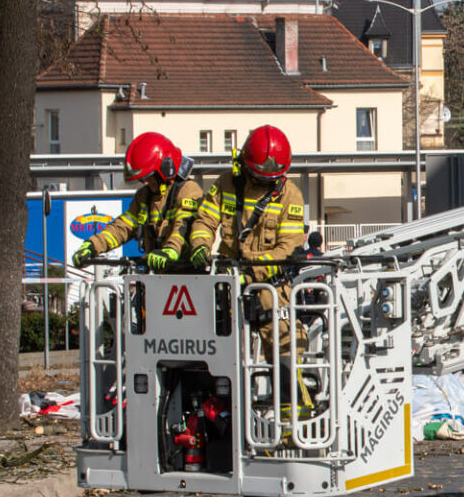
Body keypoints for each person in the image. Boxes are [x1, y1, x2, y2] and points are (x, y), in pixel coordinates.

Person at [188, 125, 309, 414]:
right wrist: (200, 247)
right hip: (226, 282)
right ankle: (219, 411)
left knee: (285, 343)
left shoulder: (289, 195)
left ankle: (294, 414)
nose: (268, 183)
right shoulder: (227, 183)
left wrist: (252, 273)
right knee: (213, 347)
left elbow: (287, 250)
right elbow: (205, 220)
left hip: (269, 287)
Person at [71, 132, 201, 270]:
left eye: (148, 176)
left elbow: (184, 225)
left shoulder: (188, 190)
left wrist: (171, 250)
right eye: (141, 178)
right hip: (156, 275)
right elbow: (122, 227)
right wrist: (92, 246)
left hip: (187, 274)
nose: (144, 182)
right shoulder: (144, 196)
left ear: (165, 168)